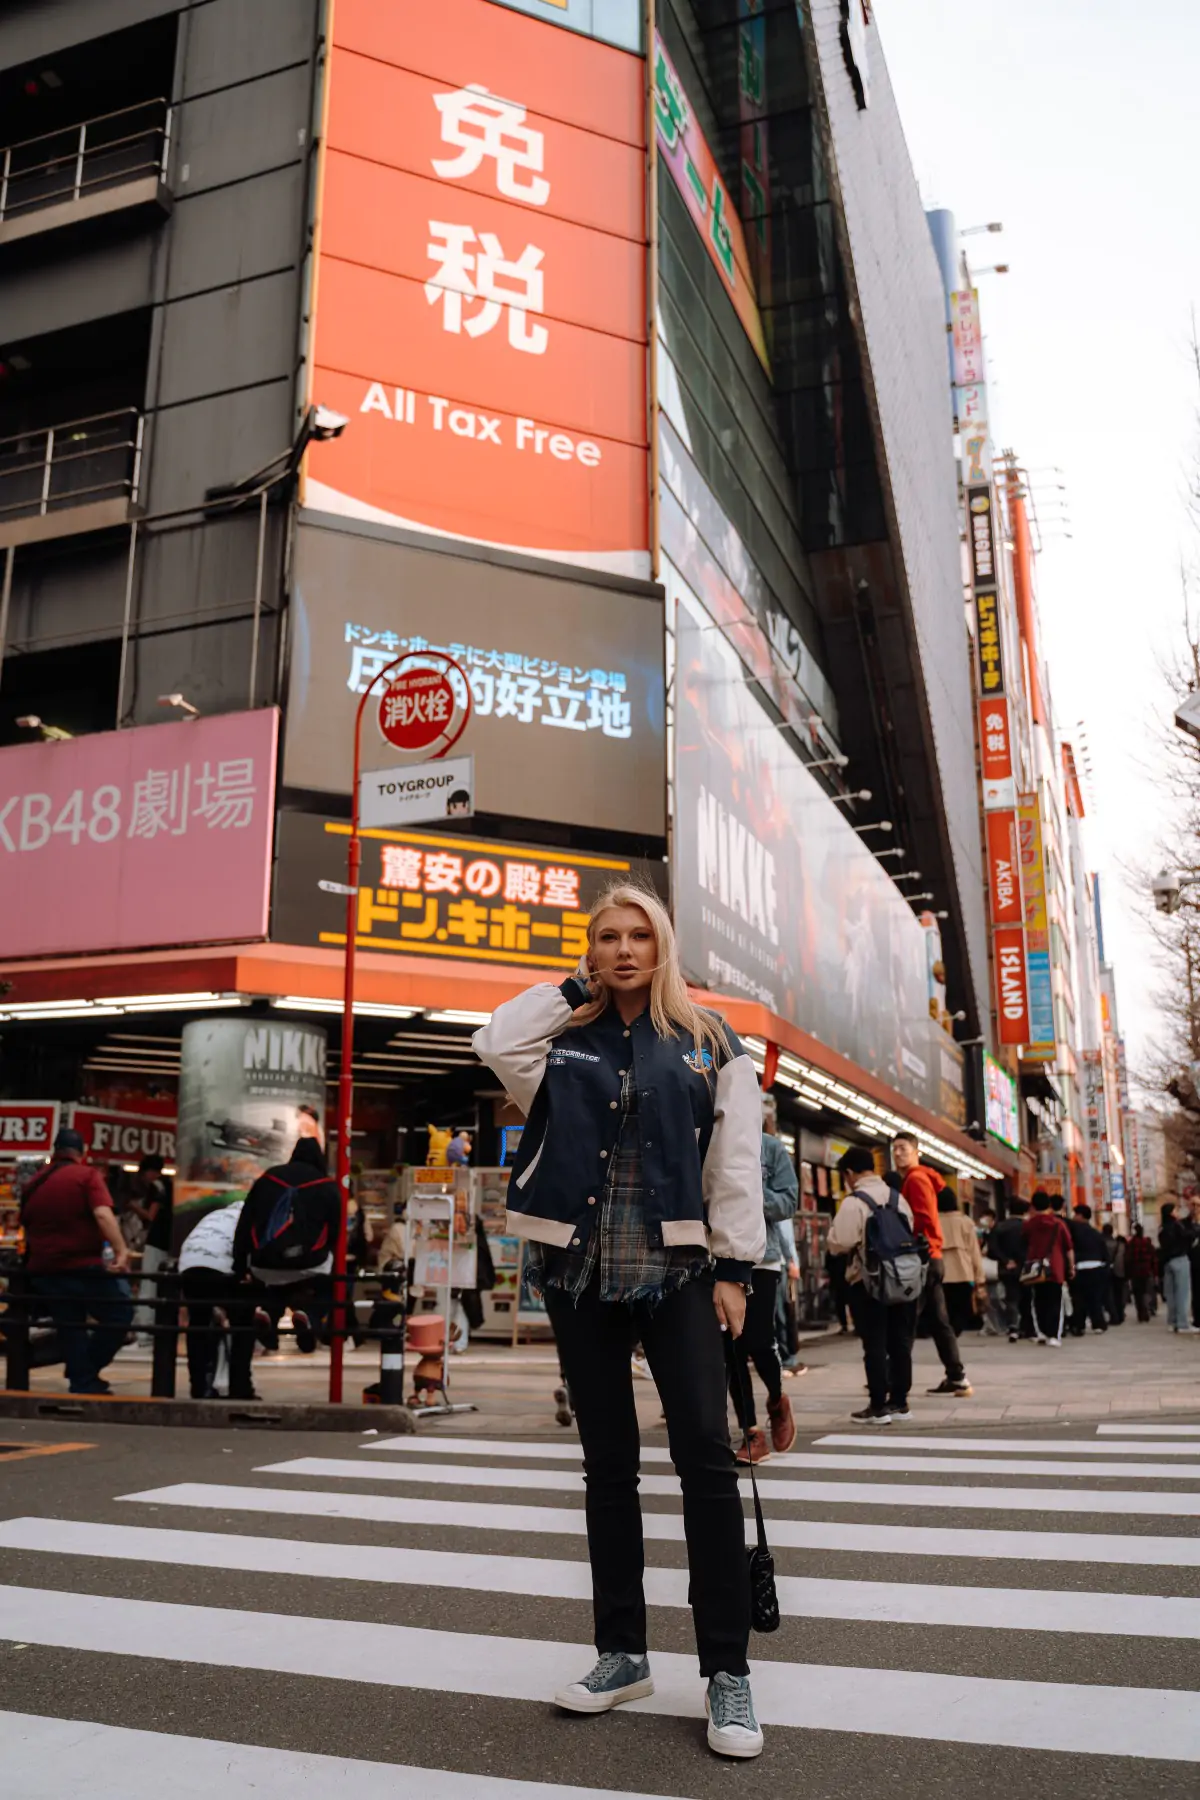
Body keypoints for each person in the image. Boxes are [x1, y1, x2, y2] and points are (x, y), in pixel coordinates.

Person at [473, 883, 767, 1760]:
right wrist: (573, 989)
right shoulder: (560, 1039)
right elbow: (493, 1040)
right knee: (608, 1467)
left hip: (679, 1271)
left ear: (664, 943)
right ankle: (622, 1653)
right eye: (608, 936)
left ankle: (727, 1670)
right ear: (590, 948)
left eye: (641, 935)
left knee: (705, 1464)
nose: (626, 949)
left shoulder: (713, 1042)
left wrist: (737, 1268)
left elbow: (735, 1158)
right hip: (577, 1271)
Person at [19, 1127, 133, 1395]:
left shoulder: (33, 1183)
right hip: (83, 1266)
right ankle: (85, 1371)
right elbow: (103, 1215)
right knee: (120, 1315)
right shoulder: (86, 1176)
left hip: (44, 1269)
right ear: (82, 1153)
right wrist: (121, 1250)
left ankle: (83, 1378)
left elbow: (27, 1223)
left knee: (71, 1326)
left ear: (54, 1152)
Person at [727, 1096, 800, 1462]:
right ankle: (751, 1432)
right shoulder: (710, 1142)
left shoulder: (770, 1149)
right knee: (730, 1348)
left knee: (757, 1339)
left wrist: (751, 1191)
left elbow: (788, 1202)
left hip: (761, 1256)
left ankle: (776, 1398)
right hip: (717, 1256)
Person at [827, 1145, 919, 1424]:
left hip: (868, 1283)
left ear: (850, 1173)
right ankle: (900, 1403)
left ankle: (878, 1406)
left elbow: (839, 1243)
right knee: (900, 1341)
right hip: (902, 1279)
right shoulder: (898, 1198)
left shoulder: (855, 1202)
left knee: (875, 1343)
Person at [233, 1131, 341, 1353]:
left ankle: (269, 1315)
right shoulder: (327, 1186)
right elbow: (336, 1233)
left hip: (264, 1263)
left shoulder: (268, 1178)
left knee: (276, 1279)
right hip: (309, 1263)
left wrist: (240, 1265)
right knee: (324, 1283)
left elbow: (245, 1223)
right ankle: (308, 1315)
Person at [891, 1132, 971, 1396]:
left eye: (903, 1148)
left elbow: (923, 1217)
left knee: (905, 1320)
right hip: (932, 1258)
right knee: (938, 1321)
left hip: (923, 1258)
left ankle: (894, 1383)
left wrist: (912, 1243)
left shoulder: (915, 1179)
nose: (898, 1153)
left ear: (916, 1152)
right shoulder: (918, 1178)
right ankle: (957, 1376)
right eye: (895, 1149)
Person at [178, 1200, 257, 1400]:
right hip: (220, 1266)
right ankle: (240, 1386)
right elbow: (248, 1252)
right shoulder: (252, 1217)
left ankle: (199, 1386)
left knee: (199, 1324)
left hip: (189, 1264)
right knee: (243, 1323)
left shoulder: (216, 1215)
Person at [1021, 1190, 1074, 1345]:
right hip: (1055, 1267)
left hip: (1035, 1268)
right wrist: (1072, 1267)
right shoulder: (1059, 1224)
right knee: (1055, 1301)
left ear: (1032, 1206)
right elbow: (1069, 1248)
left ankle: (1042, 1332)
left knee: (1038, 1300)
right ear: (1049, 1205)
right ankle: (1053, 1335)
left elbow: (1023, 1243)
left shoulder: (1029, 1224)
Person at [937, 1189, 987, 1335]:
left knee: (943, 1311)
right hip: (963, 1274)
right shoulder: (966, 1222)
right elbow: (974, 1252)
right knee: (960, 1311)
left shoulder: (933, 1221)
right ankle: (953, 1336)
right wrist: (979, 1277)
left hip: (940, 1273)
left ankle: (947, 1338)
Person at [989, 1199, 1031, 1341]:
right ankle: (1027, 1327)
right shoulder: (1028, 1226)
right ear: (1025, 1211)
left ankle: (1012, 1326)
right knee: (1027, 1297)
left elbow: (992, 1249)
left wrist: (1006, 1260)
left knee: (1011, 1297)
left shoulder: (999, 1227)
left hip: (1006, 1268)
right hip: (1026, 1267)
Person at [1068, 1204, 1110, 1336]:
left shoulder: (1074, 1230)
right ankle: (1098, 1324)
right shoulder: (1096, 1233)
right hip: (1097, 1267)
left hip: (1080, 1267)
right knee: (1095, 1298)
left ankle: (1079, 1326)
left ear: (1080, 1216)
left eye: (1075, 1214)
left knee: (1079, 1298)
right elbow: (1105, 1253)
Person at [1158, 1203, 1198, 1333]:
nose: (1178, 1212)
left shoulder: (1162, 1227)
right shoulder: (1177, 1226)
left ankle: (1172, 1321)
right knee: (1183, 1293)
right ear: (1171, 1212)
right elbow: (1189, 1235)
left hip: (1167, 1262)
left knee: (1171, 1294)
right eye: (1176, 1210)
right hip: (1180, 1259)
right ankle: (1182, 1324)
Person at [1127, 1222, 1159, 1322]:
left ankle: (1141, 1313)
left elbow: (1128, 1258)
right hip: (1147, 1270)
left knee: (1137, 1293)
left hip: (1135, 1271)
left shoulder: (1131, 1243)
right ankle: (1147, 1310)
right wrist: (1155, 1272)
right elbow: (1153, 1258)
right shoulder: (1147, 1243)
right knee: (1147, 1292)